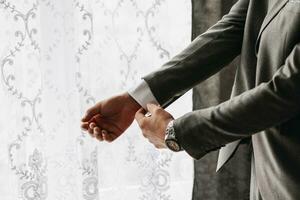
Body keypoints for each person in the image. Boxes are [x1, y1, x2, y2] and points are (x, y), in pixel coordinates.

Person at [81, 0, 300, 199]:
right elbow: (235, 27)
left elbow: (284, 93)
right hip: (268, 170)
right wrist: (135, 99)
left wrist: (176, 133)